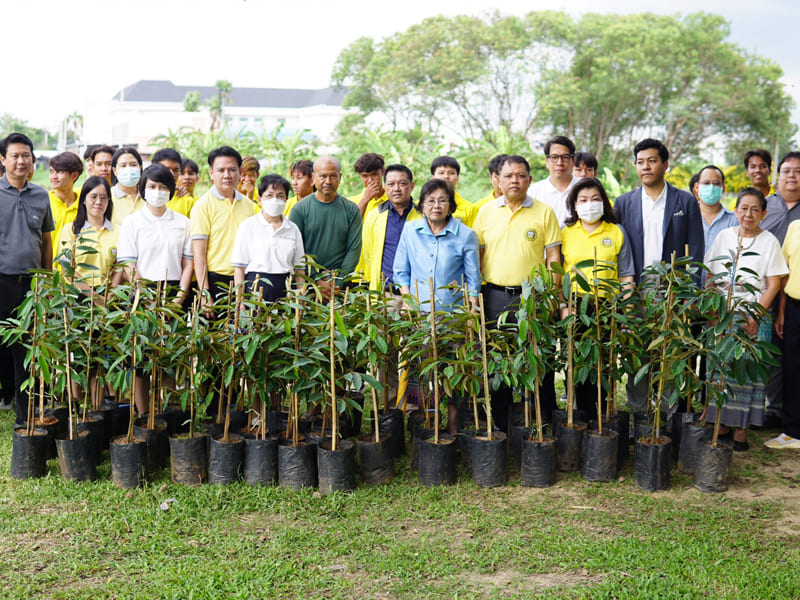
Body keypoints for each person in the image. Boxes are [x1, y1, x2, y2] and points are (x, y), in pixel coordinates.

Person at [614, 138, 704, 419]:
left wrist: (689, 294)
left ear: (665, 165)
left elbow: (696, 249)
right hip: (636, 289)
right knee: (636, 355)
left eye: (651, 161)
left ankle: (666, 418)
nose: (646, 167)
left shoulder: (685, 201)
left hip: (672, 290)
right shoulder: (624, 202)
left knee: (670, 354)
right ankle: (639, 417)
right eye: (640, 162)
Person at [472, 155, 563, 431]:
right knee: (498, 360)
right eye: (509, 175)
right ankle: (501, 424)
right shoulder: (486, 212)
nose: (515, 180)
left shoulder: (544, 212)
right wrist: (475, 295)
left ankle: (543, 421)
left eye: (521, 175)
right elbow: (478, 255)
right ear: (497, 179)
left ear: (530, 180)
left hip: (532, 298)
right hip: (495, 297)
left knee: (539, 358)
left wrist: (552, 296)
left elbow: (554, 259)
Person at [394, 178, 481, 433]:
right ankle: (426, 421)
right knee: (421, 369)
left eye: (442, 200)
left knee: (454, 369)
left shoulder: (465, 235)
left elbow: (473, 278)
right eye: (430, 201)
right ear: (422, 204)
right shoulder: (411, 231)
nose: (436, 206)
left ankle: (454, 423)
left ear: (451, 205)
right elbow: (401, 270)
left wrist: (471, 308)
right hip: (419, 313)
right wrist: (408, 299)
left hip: (453, 315)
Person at [705, 188, 788, 451]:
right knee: (720, 369)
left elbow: (773, 284)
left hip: (755, 313)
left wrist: (755, 315)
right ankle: (721, 425)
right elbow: (710, 275)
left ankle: (741, 431)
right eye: (743, 208)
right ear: (736, 209)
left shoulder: (769, 241)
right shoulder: (723, 237)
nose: (748, 214)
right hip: (723, 312)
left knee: (749, 373)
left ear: (763, 213)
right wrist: (712, 311)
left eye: (755, 209)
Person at [562, 178, 635, 414]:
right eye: (583, 200)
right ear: (574, 204)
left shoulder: (616, 231)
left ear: (604, 202)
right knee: (578, 361)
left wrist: (627, 312)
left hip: (607, 305)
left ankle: (601, 414)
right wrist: (563, 306)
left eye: (595, 199)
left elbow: (626, 276)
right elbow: (558, 273)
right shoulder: (566, 232)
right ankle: (581, 412)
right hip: (576, 305)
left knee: (603, 361)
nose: (589, 204)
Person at [0, 133, 54, 423]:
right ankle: (6, 391)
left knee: (25, 349)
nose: (21, 161)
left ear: (33, 159)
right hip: (1, 280)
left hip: (30, 284)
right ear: (3, 159)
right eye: (15, 155)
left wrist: (45, 280)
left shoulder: (41, 195)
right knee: (2, 346)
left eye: (26, 155)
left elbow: (46, 241)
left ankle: (25, 414)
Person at [190, 146, 256, 314]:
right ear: (212, 173)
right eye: (221, 170)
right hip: (215, 281)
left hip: (245, 280)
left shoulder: (250, 206)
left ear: (240, 172)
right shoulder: (202, 205)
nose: (227, 175)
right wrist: (205, 294)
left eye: (232, 170)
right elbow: (199, 254)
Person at [116, 163, 193, 300]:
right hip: (142, 290)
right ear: (143, 189)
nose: (157, 191)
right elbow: (128, 264)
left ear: (170, 189)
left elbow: (187, 264)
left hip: (175, 290)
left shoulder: (184, 222)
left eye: (163, 187)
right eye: (152, 187)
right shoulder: (131, 222)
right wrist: (146, 298)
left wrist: (179, 299)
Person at [289, 156, 362, 297]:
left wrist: (337, 281)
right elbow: (296, 251)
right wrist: (316, 280)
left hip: (341, 288)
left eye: (333, 176)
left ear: (340, 177)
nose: (328, 181)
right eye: (323, 176)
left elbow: (354, 249)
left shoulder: (351, 210)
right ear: (313, 177)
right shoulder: (299, 210)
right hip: (307, 285)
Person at [232, 174, 304, 302]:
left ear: (286, 200)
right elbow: (239, 269)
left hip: (285, 288)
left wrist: (300, 300)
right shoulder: (248, 226)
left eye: (280, 196)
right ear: (260, 199)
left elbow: (299, 269)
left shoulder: (292, 229)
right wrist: (240, 303)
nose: (275, 200)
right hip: (255, 288)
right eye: (269, 195)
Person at [361, 164, 422, 291]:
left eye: (402, 183)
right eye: (391, 184)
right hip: (385, 293)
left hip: (418, 293)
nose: (396, 189)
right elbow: (369, 254)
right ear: (385, 187)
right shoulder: (374, 216)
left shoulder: (423, 216)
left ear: (412, 186)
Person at [57, 176, 119, 293]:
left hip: (108, 295)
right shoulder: (71, 230)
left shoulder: (118, 231)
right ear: (84, 200)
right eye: (93, 197)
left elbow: (119, 267)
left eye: (103, 198)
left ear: (109, 201)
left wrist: (111, 294)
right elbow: (66, 267)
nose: (98, 202)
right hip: (76, 294)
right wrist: (93, 297)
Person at [772, 212, 800, 449]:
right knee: (793, 368)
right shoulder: (795, 227)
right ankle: (792, 431)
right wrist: (781, 312)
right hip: (794, 307)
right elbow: (785, 274)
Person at [531, 135, 579, 227]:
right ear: (547, 161)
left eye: (565, 157)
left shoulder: (585, 188)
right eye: (554, 157)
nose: (559, 163)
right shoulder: (534, 192)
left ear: (573, 161)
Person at [48, 151, 84, 260]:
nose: (54, 176)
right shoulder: (44, 202)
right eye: (51, 171)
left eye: (59, 172)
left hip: (75, 273)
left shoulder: (84, 205)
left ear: (74, 175)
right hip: (47, 273)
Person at [693, 164, 738, 251]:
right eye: (706, 183)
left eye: (716, 183)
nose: (711, 187)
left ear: (723, 188)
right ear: (697, 187)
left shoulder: (735, 220)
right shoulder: (686, 217)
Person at [762, 151, 800, 244]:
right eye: (786, 171)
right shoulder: (762, 205)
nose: (791, 175)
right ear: (779, 177)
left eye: (798, 171)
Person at [430, 156, 478, 227]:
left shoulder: (469, 208)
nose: (446, 176)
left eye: (451, 173)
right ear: (433, 177)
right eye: (441, 173)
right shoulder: (421, 206)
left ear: (458, 178)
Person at [152, 148, 195, 218]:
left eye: (176, 170)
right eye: (166, 169)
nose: (171, 174)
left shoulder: (187, 201)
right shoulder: (145, 197)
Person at [109, 147, 145, 230]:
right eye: (123, 165)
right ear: (115, 171)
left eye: (133, 165)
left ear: (140, 168)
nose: (128, 169)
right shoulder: (107, 197)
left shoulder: (149, 195)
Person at [349, 153, 386, 218]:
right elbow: (349, 226)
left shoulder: (393, 198)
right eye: (365, 176)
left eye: (374, 174)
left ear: (383, 172)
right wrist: (365, 200)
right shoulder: (350, 203)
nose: (370, 180)